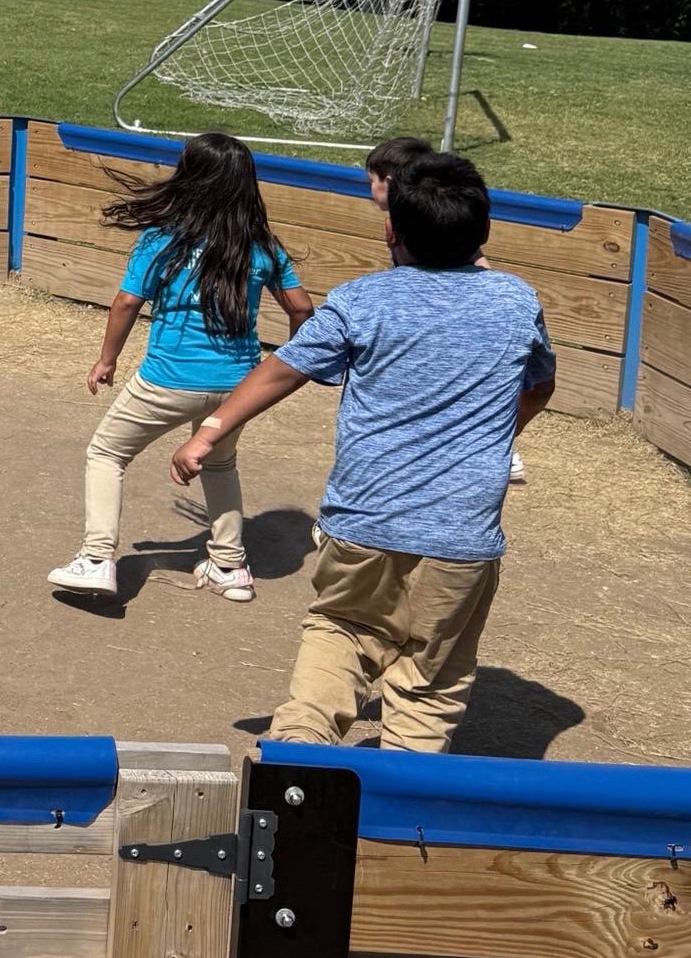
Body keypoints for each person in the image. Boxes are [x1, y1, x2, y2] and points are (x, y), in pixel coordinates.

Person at [170, 150, 555, 751]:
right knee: (431, 677)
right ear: (484, 231)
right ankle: (399, 813)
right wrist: (495, 436)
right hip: (462, 535)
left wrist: (210, 430)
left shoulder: (364, 300)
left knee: (343, 631)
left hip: (364, 521)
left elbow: (284, 368)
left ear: (391, 229)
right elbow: (538, 386)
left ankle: (297, 758)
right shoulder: (516, 301)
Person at [50, 131, 313, 606]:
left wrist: (106, 360)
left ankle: (95, 558)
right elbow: (302, 308)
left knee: (107, 454)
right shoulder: (261, 246)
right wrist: (286, 361)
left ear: (190, 179)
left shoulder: (163, 239)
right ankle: (230, 567)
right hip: (238, 386)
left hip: (168, 380)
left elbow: (128, 301)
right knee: (220, 462)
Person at [366, 135, 525, 484]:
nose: (369, 191)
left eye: (371, 183)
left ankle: (505, 451)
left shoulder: (431, 218)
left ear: (389, 183)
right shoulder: (399, 220)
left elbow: (477, 263)